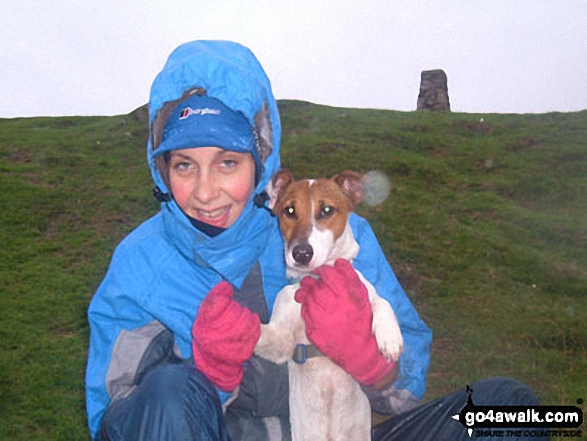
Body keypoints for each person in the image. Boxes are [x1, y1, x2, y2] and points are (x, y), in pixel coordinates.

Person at [86, 40, 544, 441]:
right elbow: (118, 420)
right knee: (169, 392)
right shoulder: (139, 263)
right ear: (161, 169)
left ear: (260, 161)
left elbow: (407, 384)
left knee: (508, 407)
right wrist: (209, 381)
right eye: (184, 165)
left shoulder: (342, 236)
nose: (206, 192)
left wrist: (376, 365)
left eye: (228, 163)